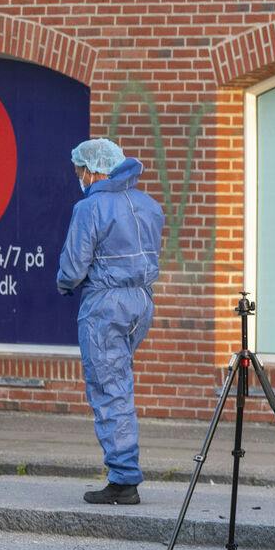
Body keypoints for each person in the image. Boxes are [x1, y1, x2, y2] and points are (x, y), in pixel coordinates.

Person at [57, 138, 164, 506]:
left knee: (109, 389)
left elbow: (73, 268)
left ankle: (123, 478)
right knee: (119, 382)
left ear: (93, 170)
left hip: (106, 305)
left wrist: (64, 285)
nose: (79, 178)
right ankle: (123, 471)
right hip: (141, 303)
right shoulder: (149, 205)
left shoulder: (90, 208)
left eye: (80, 171)